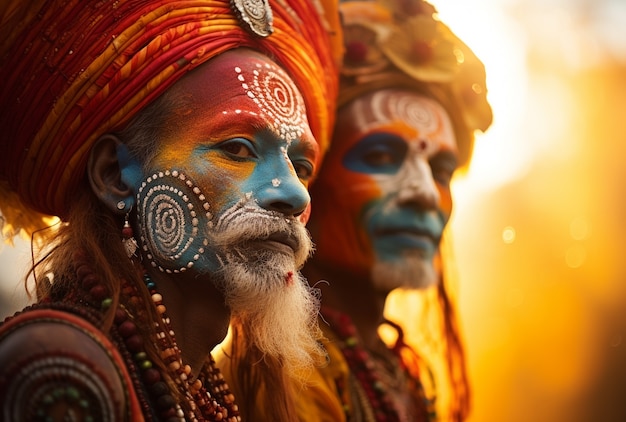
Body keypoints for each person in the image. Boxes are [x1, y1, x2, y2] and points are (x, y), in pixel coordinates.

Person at [0, 0, 342, 420]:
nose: (295, 194)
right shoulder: (58, 370)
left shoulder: (193, 383)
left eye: (301, 167)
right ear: (115, 176)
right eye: (237, 149)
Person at [217, 0, 492, 421]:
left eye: (440, 170)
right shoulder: (282, 380)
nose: (424, 194)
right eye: (381, 157)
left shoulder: (389, 368)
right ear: (309, 181)